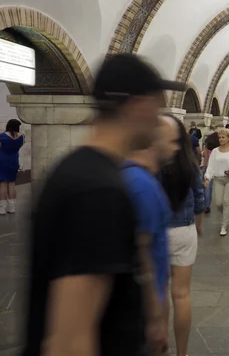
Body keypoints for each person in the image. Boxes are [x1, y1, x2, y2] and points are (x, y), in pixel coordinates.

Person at [22, 53, 185, 356]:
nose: (159, 118)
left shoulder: (85, 172)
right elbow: (69, 340)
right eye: (157, 104)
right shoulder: (96, 190)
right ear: (137, 105)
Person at [122, 114, 181, 347]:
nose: (176, 148)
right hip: (138, 313)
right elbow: (142, 251)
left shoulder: (139, 177)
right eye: (172, 141)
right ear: (155, 141)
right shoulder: (142, 185)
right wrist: (155, 314)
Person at [160, 115, 205, 356]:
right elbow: (200, 198)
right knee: (181, 293)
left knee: (160, 291)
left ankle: (162, 343)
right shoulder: (190, 165)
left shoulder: (150, 164)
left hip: (157, 233)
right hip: (184, 230)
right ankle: (182, 353)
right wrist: (198, 224)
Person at [204, 128, 229, 236]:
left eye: (223, 137)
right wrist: (207, 177)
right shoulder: (215, 151)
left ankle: (224, 225)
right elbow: (211, 166)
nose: (221, 139)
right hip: (218, 179)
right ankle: (226, 214)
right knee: (219, 203)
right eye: (219, 137)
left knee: (226, 201)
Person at [0, 118, 25, 214]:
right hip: (14, 161)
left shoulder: (2, 136)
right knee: (11, 183)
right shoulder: (22, 136)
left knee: (2, 183)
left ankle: (2, 208)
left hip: (2, 161)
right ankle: (12, 207)